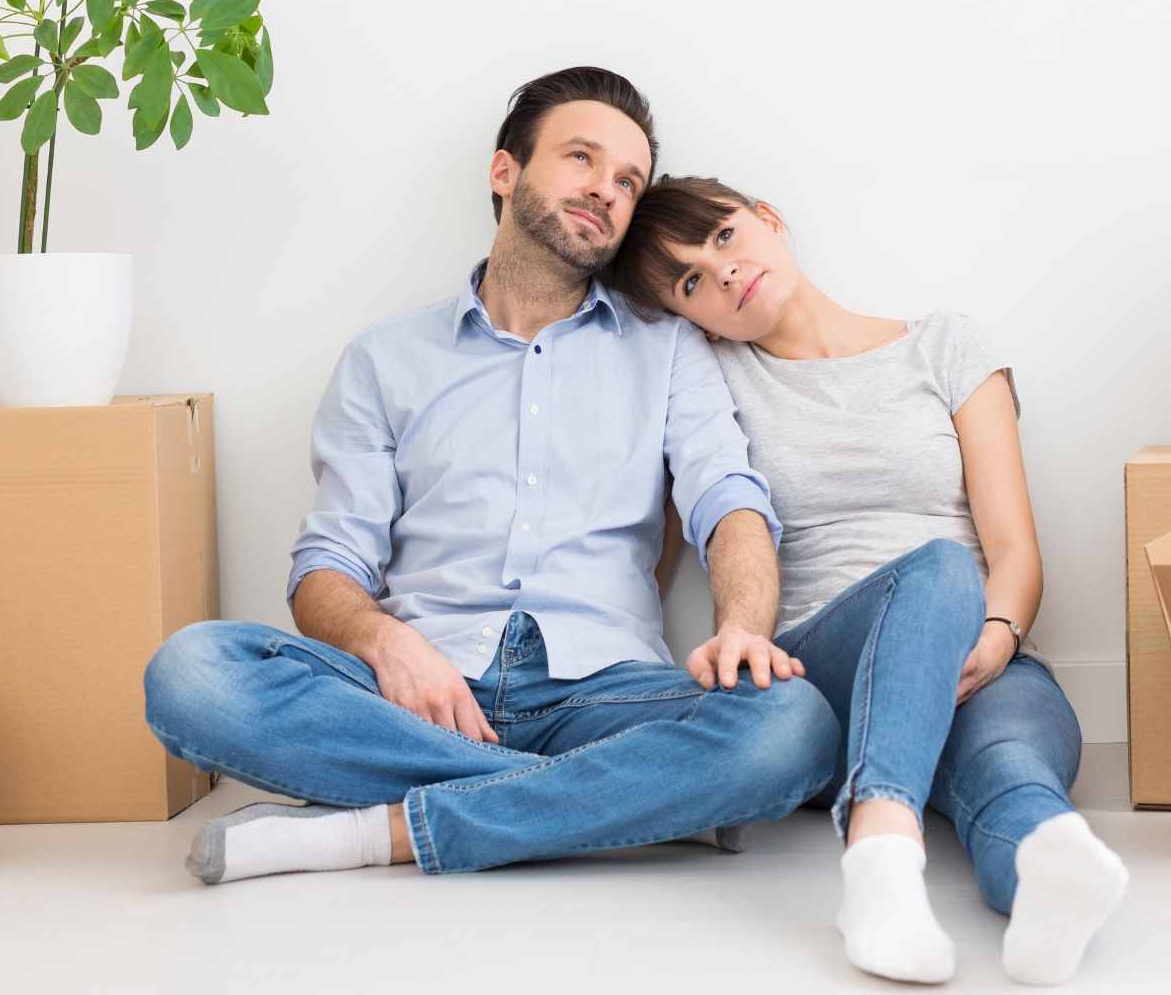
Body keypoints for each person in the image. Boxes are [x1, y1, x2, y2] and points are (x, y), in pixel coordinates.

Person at [143, 70, 838, 882]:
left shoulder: (669, 347)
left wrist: (743, 631)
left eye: (627, 181)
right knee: (192, 673)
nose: (606, 191)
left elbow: (730, 506)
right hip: (409, 697)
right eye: (582, 158)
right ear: (505, 172)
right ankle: (632, 807)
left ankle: (374, 834)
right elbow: (327, 567)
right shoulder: (384, 358)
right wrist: (386, 643)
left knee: (793, 722)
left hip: (603, 699)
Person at [609, 176, 1128, 987]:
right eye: (690, 283)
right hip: (828, 665)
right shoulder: (712, 383)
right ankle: (879, 855)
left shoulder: (946, 344)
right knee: (942, 565)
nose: (724, 274)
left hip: (982, 649)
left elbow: (1015, 547)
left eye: (721, 238)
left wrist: (997, 640)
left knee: (1010, 763)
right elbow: (669, 538)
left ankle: (1046, 885)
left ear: (768, 220)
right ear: (686, 316)